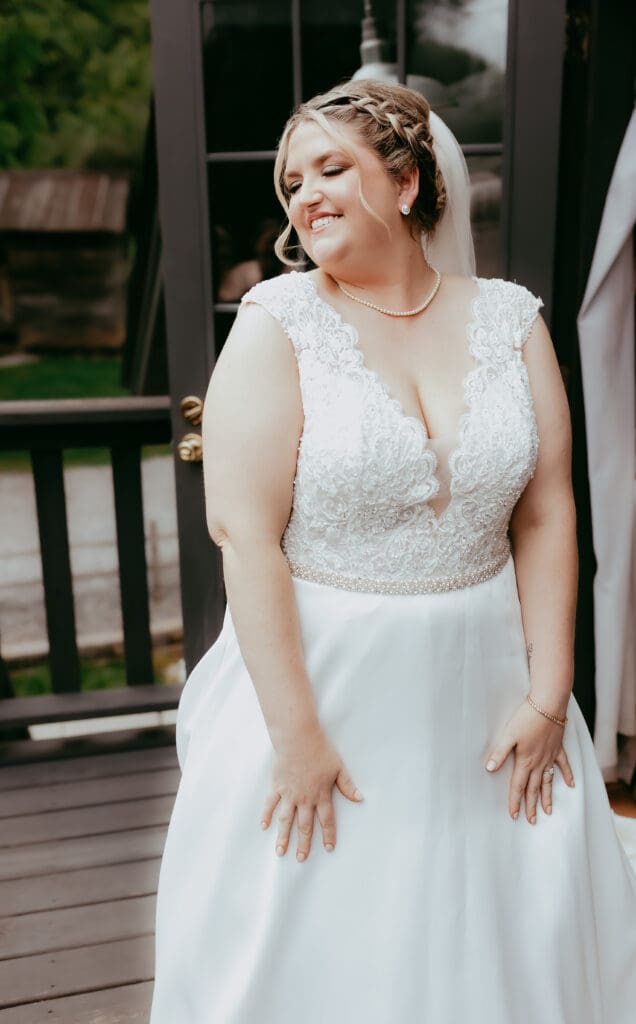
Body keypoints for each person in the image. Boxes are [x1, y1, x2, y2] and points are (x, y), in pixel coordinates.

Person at [150, 80, 636, 1023]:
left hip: (493, 686)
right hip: (324, 685)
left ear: (408, 182)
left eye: (333, 168)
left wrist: (550, 694)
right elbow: (243, 538)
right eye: (292, 181)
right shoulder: (277, 323)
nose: (306, 196)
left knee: (507, 922)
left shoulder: (512, 319)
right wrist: (294, 741)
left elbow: (544, 510)